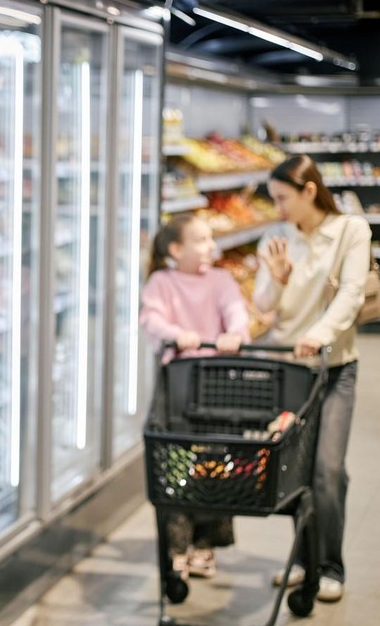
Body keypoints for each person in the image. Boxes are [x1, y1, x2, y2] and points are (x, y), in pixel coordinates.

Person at [254, 154, 370, 603]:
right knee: (293, 470)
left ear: (308, 191)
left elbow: (352, 292)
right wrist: (278, 279)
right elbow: (264, 303)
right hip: (288, 370)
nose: (278, 208)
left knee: (328, 469)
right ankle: (303, 561)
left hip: (335, 366)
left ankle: (331, 564)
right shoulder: (276, 238)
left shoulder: (350, 231)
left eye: (283, 198)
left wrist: (319, 333)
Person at [139, 212, 251, 579]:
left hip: (218, 386)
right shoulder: (162, 281)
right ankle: (177, 544)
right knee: (176, 464)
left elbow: (236, 312)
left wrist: (234, 333)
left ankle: (206, 543)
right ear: (175, 249)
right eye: (201, 240)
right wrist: (175, 333)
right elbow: (151, 319)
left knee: (217, 461)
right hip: (178, 388)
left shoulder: (221, 280)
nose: (211, 247)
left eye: (210, 239)